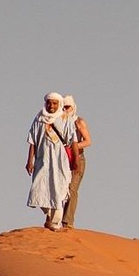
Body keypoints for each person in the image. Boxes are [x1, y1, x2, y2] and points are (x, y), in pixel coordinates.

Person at [26, 92, 75, 231]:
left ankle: (55, 222)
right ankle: (49, 215)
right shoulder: (39, 118)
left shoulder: (66, 119)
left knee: (59, 189)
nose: (51, 106)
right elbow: (32, 141)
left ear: (59, 104)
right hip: (43, 160)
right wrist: (30, 160)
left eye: (54, 103)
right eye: (49, 103)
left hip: (60, 161)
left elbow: (73, 141)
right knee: (39, 187)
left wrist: (75, 160)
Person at [60, 94, 92, 229]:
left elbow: (88, 141)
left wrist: (73, 146)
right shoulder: (59, 122)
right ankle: (56, 219)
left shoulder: (78, 122)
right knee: (61, 189)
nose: (65, 110)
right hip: (62, 159)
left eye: (67, 107)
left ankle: (67, 222)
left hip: (77, 158)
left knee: (72, 189)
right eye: (63, 107)